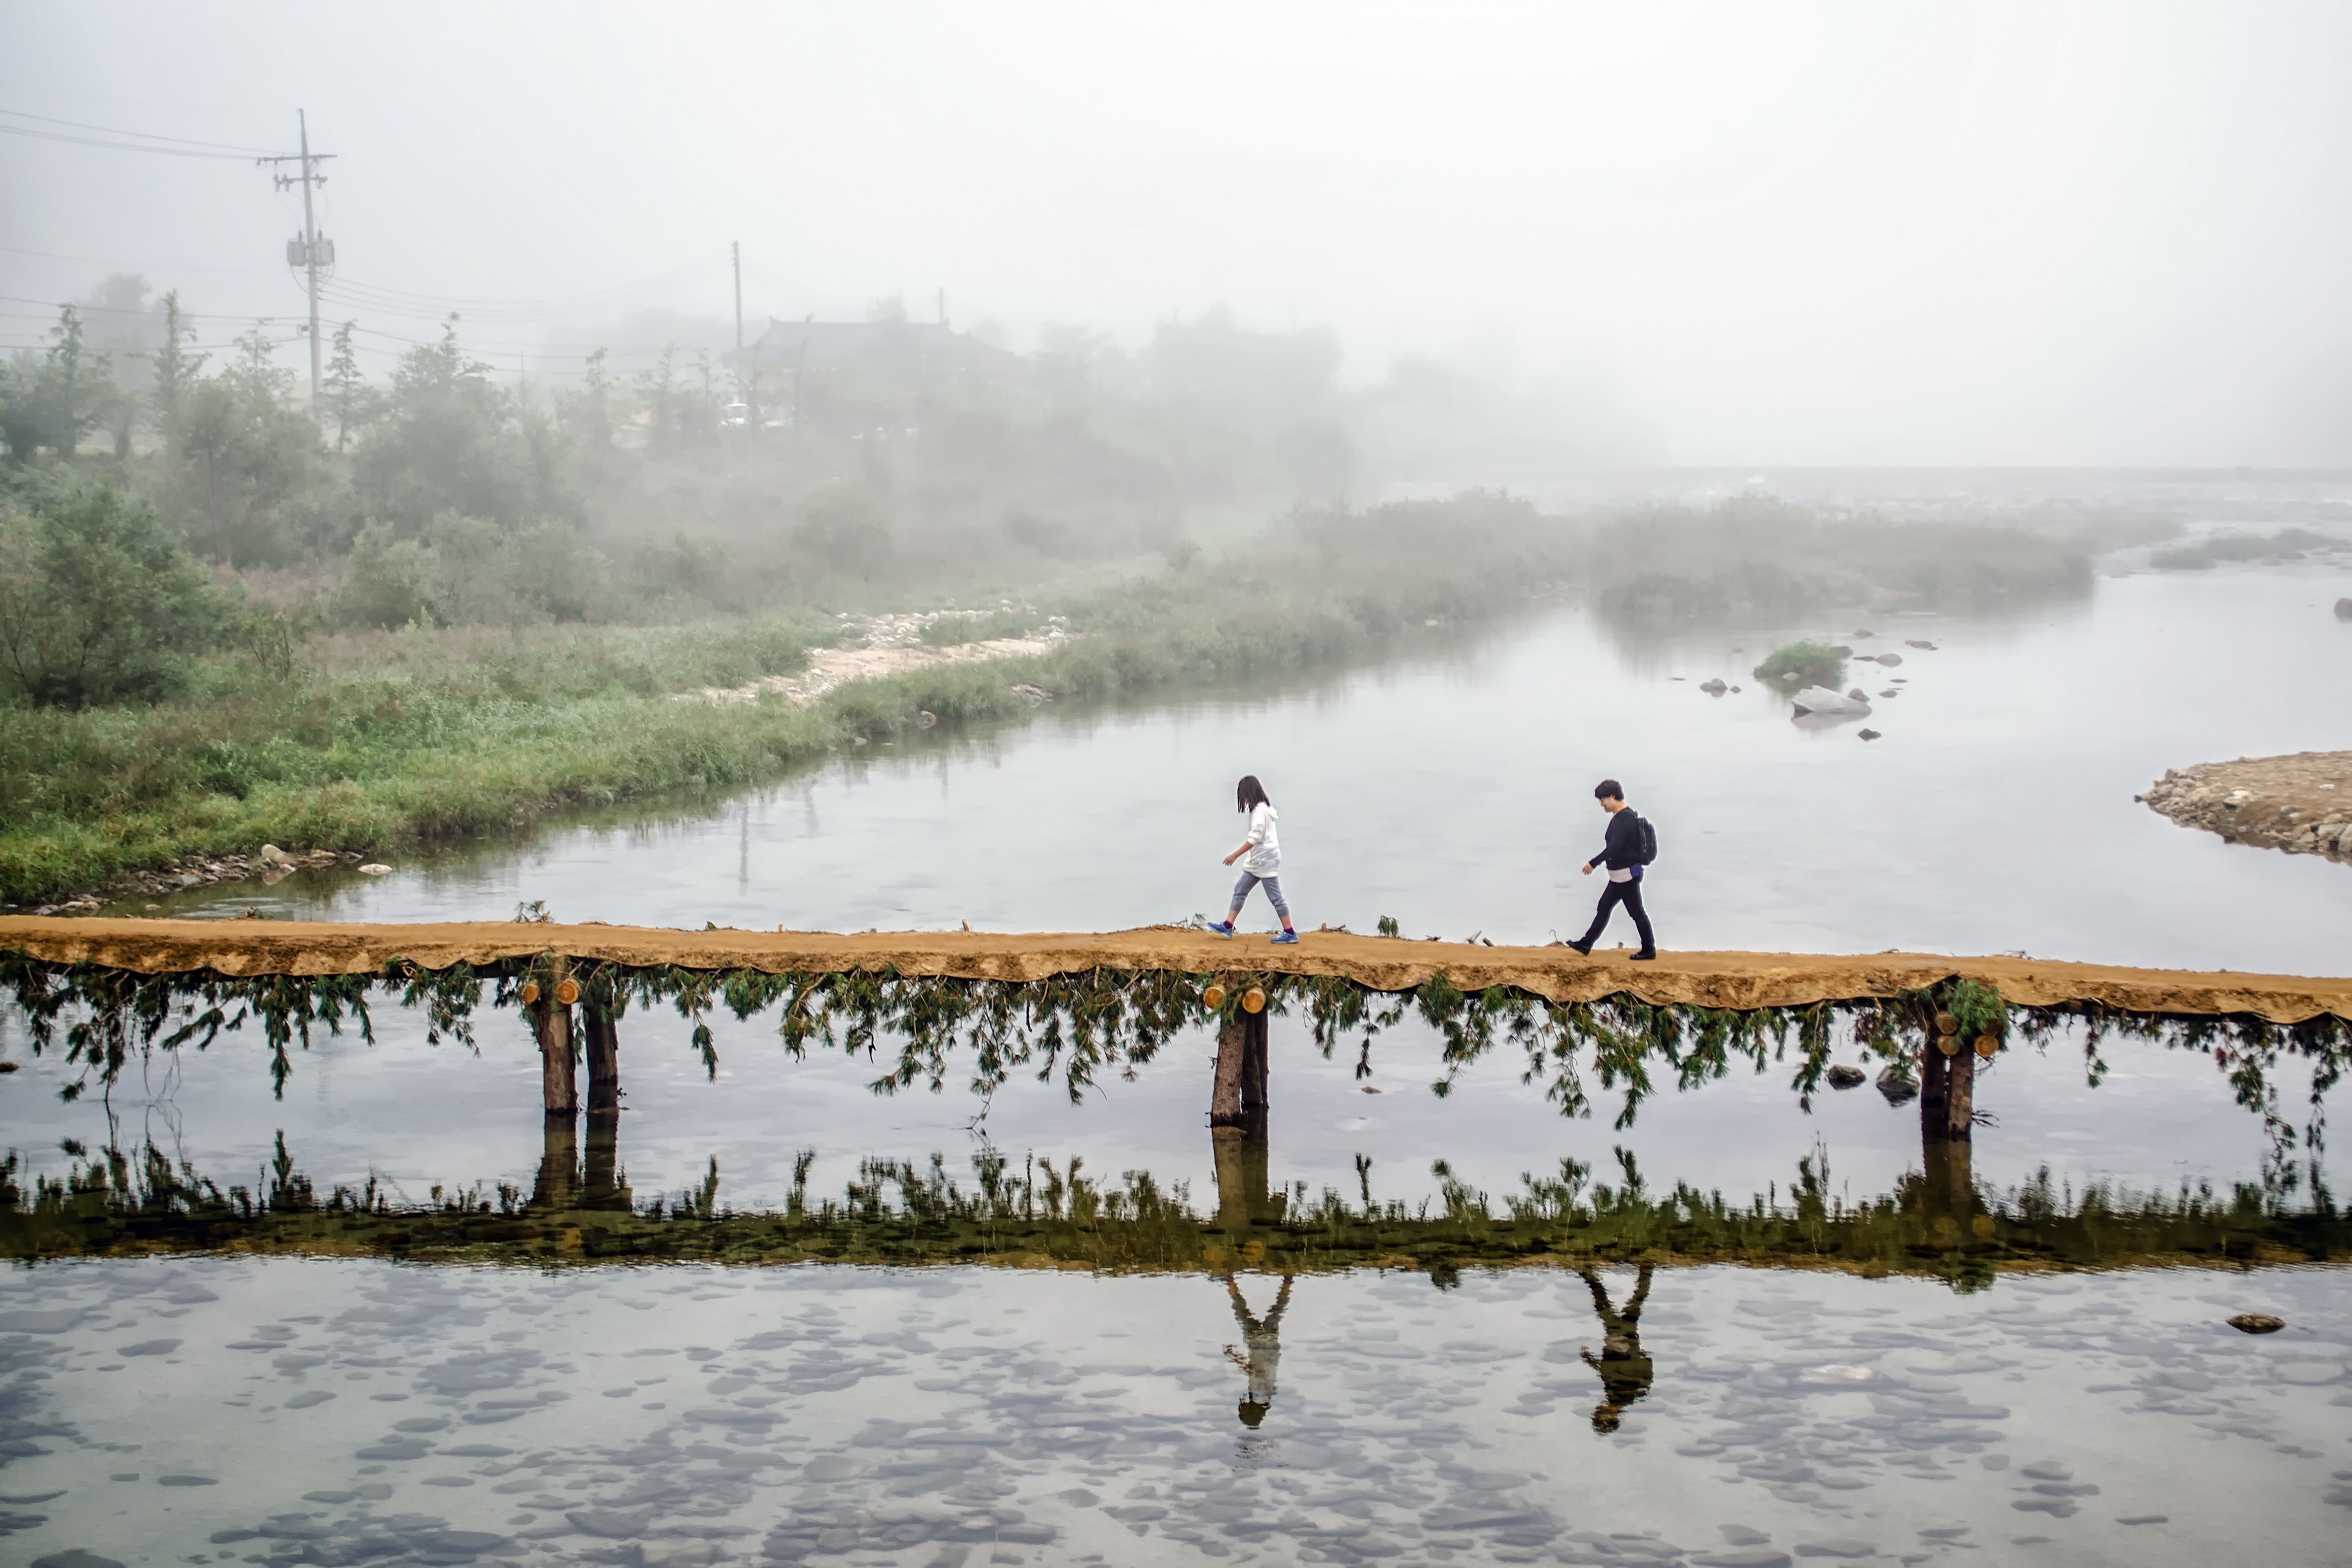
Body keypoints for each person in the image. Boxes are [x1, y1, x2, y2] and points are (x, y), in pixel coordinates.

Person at [1568, 778, 1656, 959]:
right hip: (1618, 877)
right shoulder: (1622, 817)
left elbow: (1614, 848)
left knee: (1637, 913)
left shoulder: (1624, 819)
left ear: (1613, 797)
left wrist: (1594, 863)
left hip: (1626, 877)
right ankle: (1586, 944)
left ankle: (1649, 950)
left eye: (1603, 800)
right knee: (1604, 907)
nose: (1601, 805)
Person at [1210, 775, 1297, 944]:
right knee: (1240, 890)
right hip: (1260, 859)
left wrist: (1235, 855)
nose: (1242, 799)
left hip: (1265, 860)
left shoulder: (1259, 812)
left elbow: (1255, 838)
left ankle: (1290, 932)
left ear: (1248, 793)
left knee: (1275, 897)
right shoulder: (1264, 809)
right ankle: (1228, 926)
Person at [1576, 1264, 1656, 1432]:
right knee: (1603, 1305)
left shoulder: (1623, 1397)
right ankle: (1587, 1272)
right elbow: (1614, 1372)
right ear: (1609, 1416)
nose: (1597, 1410)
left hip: (1627, 1342)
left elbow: (1611, 1373)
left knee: (1636, 1302)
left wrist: (1592, 1361)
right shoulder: (1623, 1396)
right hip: (1620, 1342)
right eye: (1599, 1415)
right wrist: (1637, 1357)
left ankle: (1647, 1269)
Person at [1224, 1273, 1293, 1428]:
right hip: (1258, 1345)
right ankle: (1229, 1280)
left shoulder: (1268, 1397)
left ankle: (1288, 1281)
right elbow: (1256, 1372)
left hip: (1272, 1347)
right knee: (1241, 1311)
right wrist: (1235, 1358)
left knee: (1277, 1312)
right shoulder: (1258, 1393)